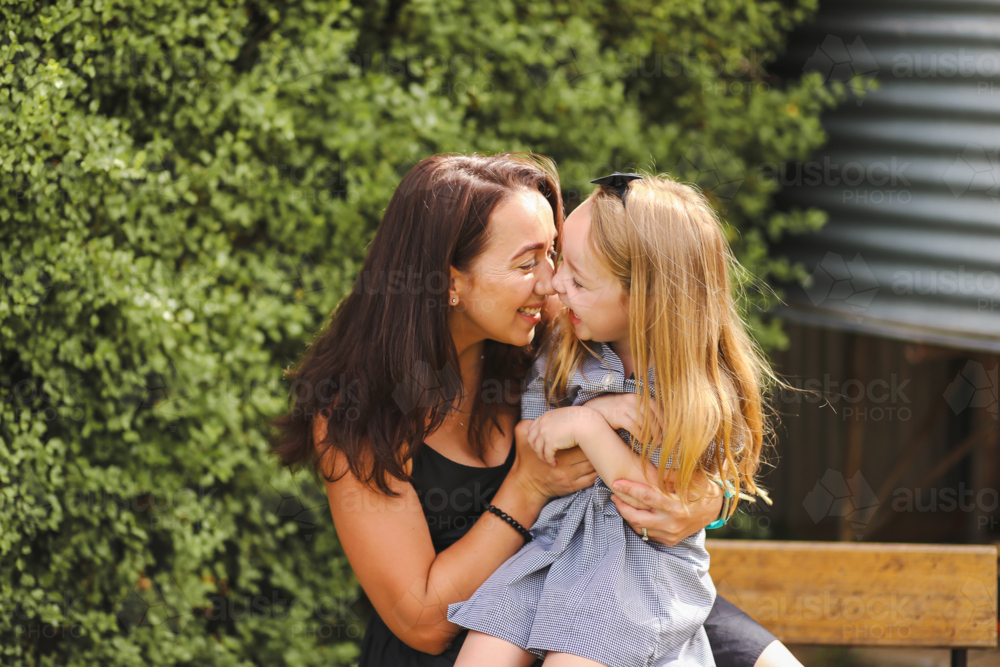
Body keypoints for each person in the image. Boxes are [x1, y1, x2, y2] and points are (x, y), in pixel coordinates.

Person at [270, 154, 802, 667]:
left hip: (618, 587)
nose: (552, 282)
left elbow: (693, 426)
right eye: (528, 263)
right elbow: (424, 623)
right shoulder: (356, 415)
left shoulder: (554, 333)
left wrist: (709, 502)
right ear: (449, 281)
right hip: (478, 629)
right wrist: (527, 487)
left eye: (555, 254)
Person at [448, 172, 775, 667]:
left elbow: (652, 499)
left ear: (645, 300)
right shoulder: (566, 350)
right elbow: (537, 436)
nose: (554, 285)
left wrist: (585, 426)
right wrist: (598, 412)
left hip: (638, 573)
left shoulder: (689, 391)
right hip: (552, 552)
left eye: (576, 278)